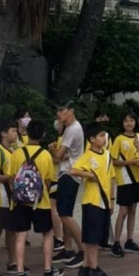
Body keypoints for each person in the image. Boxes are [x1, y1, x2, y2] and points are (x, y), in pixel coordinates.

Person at [6, 119, 63, 276]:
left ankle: (20, 274)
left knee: (21, 235)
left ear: (27, 133)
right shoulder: (45, 155)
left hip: (19, 202)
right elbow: (48, 180)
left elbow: (11, 178)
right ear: (43, 135)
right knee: (47, 234)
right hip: (41, 202)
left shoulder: (17, 153)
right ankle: (48, 270)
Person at [72, 123, 115, 276]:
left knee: (96, 236)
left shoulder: (107, 155)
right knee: (92, 239)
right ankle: (94, 269)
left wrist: (112, 200)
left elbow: (111, 178)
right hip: (92, 201)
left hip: (104, 202)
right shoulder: (88, 156)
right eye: (101, 136)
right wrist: (88, 175)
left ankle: (85, 267)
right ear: (91, 139)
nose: (104, 138)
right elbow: (73, 170)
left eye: (105, 135)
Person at [50, 103, 85, 266]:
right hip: (67, 172)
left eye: (61, 110)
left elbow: (58, 156)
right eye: (57, 111)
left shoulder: (73, 129)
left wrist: (52, 149)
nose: (58, 114)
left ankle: (84, 250)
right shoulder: (70, 128)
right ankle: (68, 249)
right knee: (65, 212)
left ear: (71, 111)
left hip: (70, 174)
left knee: (64, 214)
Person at [111, 111, 139, 256]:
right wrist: (129, 162)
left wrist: (138, 150)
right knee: (123, 211)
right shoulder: (119, 139)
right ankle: (116, 242)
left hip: (138, 178)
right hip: (125, 179)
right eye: (126, 121)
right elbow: (113, 161)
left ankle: (129, 240)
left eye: (131, 120)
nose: (129, 123)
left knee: (133, 210)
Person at [0, 118, 18, 276]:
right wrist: (9, 177)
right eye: (13, 131)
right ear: (3, 133)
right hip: (0, 198)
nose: (15, 134)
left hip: (12, 198)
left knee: (12, 230)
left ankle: (13, 262)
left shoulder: (14, 151)